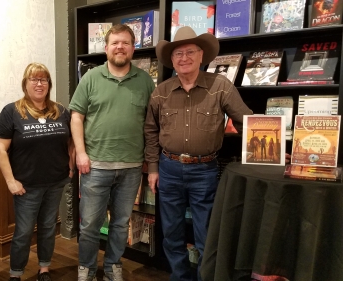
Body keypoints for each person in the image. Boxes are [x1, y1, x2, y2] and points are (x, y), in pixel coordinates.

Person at [144, 26, 253, 281]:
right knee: (171, 233)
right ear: (171, 59)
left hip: (205, 171)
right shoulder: (161, 91)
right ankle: (180, 277)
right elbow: (150, 132)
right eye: (178, 53)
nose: (184, 58)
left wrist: (272, 147)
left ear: (201, 55)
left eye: (189, 52)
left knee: (207, 234)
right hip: (168, 169)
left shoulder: (220, 86)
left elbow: (246, 122)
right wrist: (152, 169)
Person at [70, 24, 155, 281]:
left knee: (120, 224)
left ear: (133, 48)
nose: (120, 47)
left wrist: (149, 162)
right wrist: (81, 154)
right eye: (115, 43)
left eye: (126, 43)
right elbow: (76, 117)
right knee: (89, 225)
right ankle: (85, 268)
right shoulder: (91, 78)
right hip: (95, 166)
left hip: (131, 167)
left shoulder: (145, 81)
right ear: (106, 48)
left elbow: (151, 124)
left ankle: (112, 266)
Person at [0, 63, 75, 281]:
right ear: (25, 83)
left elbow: (71, 141)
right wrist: (10, 181)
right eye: (34, 79)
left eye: (44, 79)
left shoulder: (61, 111)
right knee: (23, 232)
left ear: (49, 84)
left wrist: (70, 166)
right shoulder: (12, 111)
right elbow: (0, 149)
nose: (39, 84)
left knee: (48, 228)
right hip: (26, 186)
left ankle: (44, 269)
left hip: (56, 182)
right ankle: (16, 274)